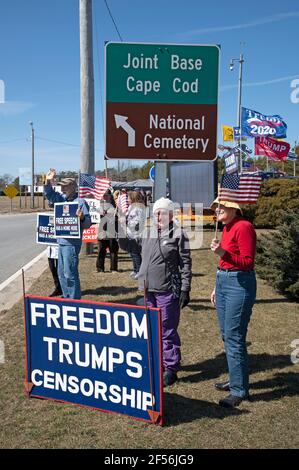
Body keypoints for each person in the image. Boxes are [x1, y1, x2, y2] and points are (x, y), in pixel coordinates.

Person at [138, 197, 192, 387]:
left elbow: (185, 263)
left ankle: (171, 367)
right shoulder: (148, 232)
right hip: (147, 289)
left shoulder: (179, 234)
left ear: (171, 214)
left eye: (162, 212)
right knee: (151, 329)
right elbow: (130, 246)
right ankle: (156, 363)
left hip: (167, 289)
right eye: (156, 213)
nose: (158, 216)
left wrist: (185, 288)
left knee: (167, 329)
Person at [210, 198, 257, 408]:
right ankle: (236, 380)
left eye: (221, 206)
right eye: (216, 207)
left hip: (239, 283)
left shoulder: (244, 227)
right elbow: (225, 261)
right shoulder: (228, 227)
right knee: (226, 335)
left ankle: (239, 390)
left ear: (233, 208)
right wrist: (216, 286)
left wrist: (222, 253)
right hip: (224, 280)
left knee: (234, 337)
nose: (217, 209)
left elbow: (247, 262)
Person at [44, 169, 91, 299]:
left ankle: (74, 299)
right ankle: (66, 296)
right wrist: (48, 181)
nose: (63, 188)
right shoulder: (61, 199)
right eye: (61, 186)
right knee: (61, 273)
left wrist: (82, 218)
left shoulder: (80, 202)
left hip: (71, 243)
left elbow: (88, 223)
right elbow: (49, 194)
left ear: (73, 187)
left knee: (70, 273)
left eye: (66, 186)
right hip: (60, 242)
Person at [96, 190, 119, 272]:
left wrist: (115, 218)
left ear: (110, 196)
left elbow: (120, 216)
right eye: (103, 195)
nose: (104, 196)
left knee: (113, 250)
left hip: (112, 231)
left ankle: (113, 268)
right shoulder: (99, 205)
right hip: (102, 231)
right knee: (101, 251)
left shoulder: (115, 205)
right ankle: (100, 268)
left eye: (106, 195)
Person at [126, 191, 146, 279]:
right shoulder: (131, 207)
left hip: (136, 234)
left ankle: (139, 271)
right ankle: (135, 269)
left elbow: (139, 222)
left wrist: (128, 223)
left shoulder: (139, 208)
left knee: (136, 253)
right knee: (132, 253)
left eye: (128, 198)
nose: (127, 200)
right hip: (130, 233)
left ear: (133, 199)